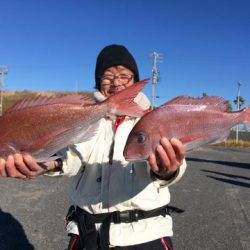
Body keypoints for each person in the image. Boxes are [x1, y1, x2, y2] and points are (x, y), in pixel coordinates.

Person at [0, 44, 187, 250]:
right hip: (87, 232)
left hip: (147, 232)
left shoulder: (154, 119)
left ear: (135, 79)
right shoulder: (86, 117)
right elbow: (73, 155)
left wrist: (169, 170)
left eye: (124, 75)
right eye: (107, 77)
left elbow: (178, 161)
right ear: (98, 82)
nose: (116, 83)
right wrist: (48, 164)